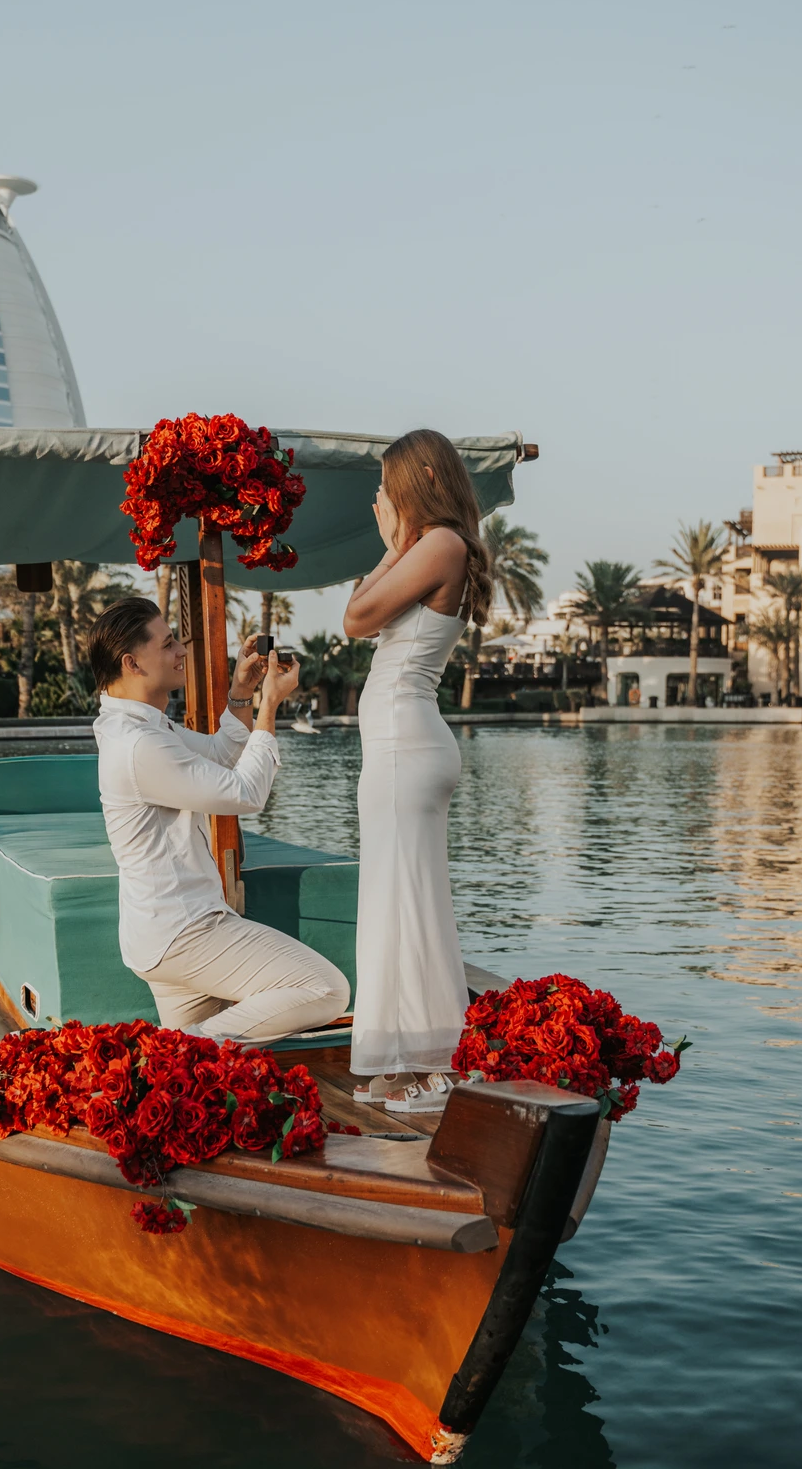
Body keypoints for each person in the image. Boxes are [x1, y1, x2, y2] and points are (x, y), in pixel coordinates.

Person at [89, 596, 351, 1042]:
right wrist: (270, 706)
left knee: (198, 1080)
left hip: (161, 932)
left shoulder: (142, 729)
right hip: (184, 929)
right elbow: (245, 793)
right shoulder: (138, 744)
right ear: (132, 663)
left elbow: (221, 754)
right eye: (169, 644)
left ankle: (172, 1061)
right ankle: (158, 1059)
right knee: (324, 988)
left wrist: (243, 692)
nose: (182, 652)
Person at [343, 429, 491, 1109]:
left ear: (422, 476)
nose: (383, 499)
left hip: (406, 745)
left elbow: (355, 617)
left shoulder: (440, 544)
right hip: (398, 746)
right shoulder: (432, 546)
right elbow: (366, 614)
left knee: (409, 902)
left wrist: (390, 541)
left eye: (388, 486)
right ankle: (406, 1057)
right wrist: (390, 544)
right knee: (392, 901)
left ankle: (441, 1063)